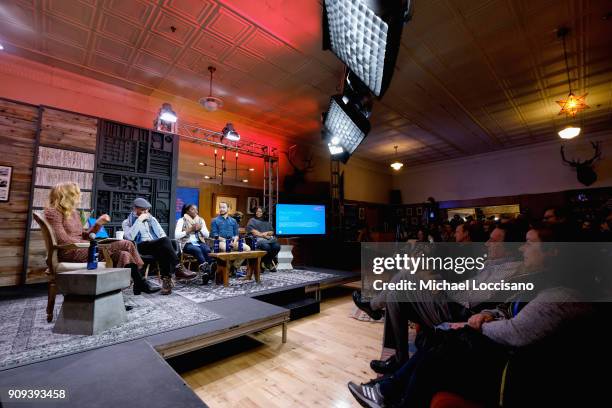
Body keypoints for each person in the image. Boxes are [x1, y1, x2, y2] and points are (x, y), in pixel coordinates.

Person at [348, 225, 596, 407]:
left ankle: (374, 310)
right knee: (401, 286)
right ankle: (394, 361)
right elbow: (503, 305)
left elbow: (486, 304)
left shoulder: (528, 276)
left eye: (529, 243)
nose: (522, 248)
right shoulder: (502, 268)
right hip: (463, 307)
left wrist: (469, 312)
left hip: (466, 315)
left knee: (403, 282)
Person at [353, 221, 525, 374]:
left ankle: (373, 307)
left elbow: (470, 299)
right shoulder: (494, 263)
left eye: (494, 241)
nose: (488, 244)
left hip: (460, 312)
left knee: (406, 275)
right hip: (454, 298)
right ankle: (399, 357)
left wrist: (437, 287)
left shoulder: (510, 269)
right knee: (395, 294)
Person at [44, 182, 159, 295]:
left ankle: (116, 294)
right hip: (70, 252)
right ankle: (141, 281)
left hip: (83, 249)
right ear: (67, 196)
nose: (79, 198)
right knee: (127, 244)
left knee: (124, 254)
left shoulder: (73, 213)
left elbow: (85, 236)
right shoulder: (53, 213)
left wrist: (98, 224)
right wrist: (91, 244)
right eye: (76, 195)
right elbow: (62, 240)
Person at [122, 197, 196, 295]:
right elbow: (130, 237)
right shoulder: (127, 222)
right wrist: (139, 220)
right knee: (164, 244)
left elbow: (162, 234)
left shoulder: (152, 220)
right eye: (143, 210)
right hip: (140, 247)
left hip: (155, 245)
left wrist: (162, 243)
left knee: (164, 246)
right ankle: (177, 268)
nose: (146, 212)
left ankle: (167, 281)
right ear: (135, 209)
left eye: (147, 210)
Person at [175, 203, 214, 283]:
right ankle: (206, 271)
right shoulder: (181, 220)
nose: (195, 211)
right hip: (187, 243)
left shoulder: (201, 220)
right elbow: (176, 235)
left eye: (196, 209)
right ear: (187, 211)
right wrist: (190, 230)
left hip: (199, 242)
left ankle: (208, 271)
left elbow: (207, 234)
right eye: (192, 209)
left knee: (207, 249)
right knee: (197, 250)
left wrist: (200, 229)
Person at [210, 201, 251, 270]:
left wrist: (235, 241)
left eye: (223, 207)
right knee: (226, 248)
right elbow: (214, 234)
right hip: (221, 242)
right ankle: (227, 268)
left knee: (247, 249)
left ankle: (234, 267)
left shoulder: (233, 221)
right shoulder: (215, 220)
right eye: (220, 207)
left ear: (228, 209)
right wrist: (225, 240)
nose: (221, 209)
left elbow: (236, 234)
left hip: (232, 242)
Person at [246, 206, 280, 271]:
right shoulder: (252, 220)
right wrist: (264, 235)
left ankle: (266, 262)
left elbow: (271, 231)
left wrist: (267, 233)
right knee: (266, 247)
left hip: (267, 239)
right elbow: (254, 232)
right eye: (257, 211)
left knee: (277, 246)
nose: (258, 213)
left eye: (260, 212)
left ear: (263, 213)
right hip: (257, 239)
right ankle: (265, 263)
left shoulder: (266, 221)